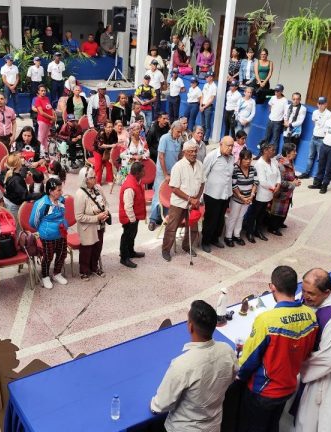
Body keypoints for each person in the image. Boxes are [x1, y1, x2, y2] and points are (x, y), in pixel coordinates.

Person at [237, 265, 318, 432]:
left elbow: (249, 360)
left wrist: (239, 376)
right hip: (288, 386)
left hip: (263, 390)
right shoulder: (311, 315)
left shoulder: (266, 320)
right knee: (273, 425)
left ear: (272, 287)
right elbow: (307, 351)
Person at [150, 299, 236, 431]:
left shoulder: (183, 365)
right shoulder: (227, 350)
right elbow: (232, 376)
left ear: (190, 327)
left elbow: (159, 406)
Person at [294, 268, 331, 432]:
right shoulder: (312, 297)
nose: (305, 296)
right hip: (311, 362)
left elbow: (329, 359)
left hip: (325, 373)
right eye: (303, 290)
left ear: (327, 292)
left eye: (311, 294)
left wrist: (297, 365)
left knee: (315, 418)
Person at [162, 141, 204, 261]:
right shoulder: (178, 166)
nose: (193, 153)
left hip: (194, 202)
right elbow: (174, 188)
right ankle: (165, 250)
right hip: (179, 203)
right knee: (172, 227)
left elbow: (202, 183)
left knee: (193, 227)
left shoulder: (200, 165)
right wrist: (190, 199)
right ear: (184, 152)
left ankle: (187, 246)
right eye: (190, 151)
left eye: (195, 151)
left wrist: (196, 199)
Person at [30, 178, 68, 289]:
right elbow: (33, 221)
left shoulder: (61, 200)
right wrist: (43, 229)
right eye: (58, 190)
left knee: (62, 254)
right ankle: (45, 276)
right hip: (48, 235)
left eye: (61, 190)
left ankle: (57, 273)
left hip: (61, 232)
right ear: (50, 191)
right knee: (48, 256)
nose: (61, 192)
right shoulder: (42, 204)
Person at [74, 168, 110, 280]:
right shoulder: (80, 194)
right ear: (84, 180)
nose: (95, 179)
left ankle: (94, 267)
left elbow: (106, 203)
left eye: (95, 176)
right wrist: (96, 218)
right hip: (87, 227)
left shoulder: (98, 188)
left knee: (97, 248)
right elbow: (79, 217)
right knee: (87, 250)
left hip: (100, 224)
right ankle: (84, 271)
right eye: (92, 178)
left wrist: (106, 211)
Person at [201, 136, 234, 253]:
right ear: (221, 144)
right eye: (228, 145)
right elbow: (203, 174)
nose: (230, 148)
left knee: (220, 219)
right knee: (210, 220)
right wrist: (201, 194)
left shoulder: (231, 158)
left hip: (225, 194)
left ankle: (215, 238)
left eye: (232, 146)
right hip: (212, 194)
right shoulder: (212, 156)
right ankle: (205, 241)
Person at [149, 121, 183, 230]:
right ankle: (153, 220)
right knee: (158, 195)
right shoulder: (164, 138)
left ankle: (165, 217)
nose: (179, 134)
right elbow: (161, 157)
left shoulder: (179, 140)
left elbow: (178, 157)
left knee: (169, 195)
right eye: (178, 132)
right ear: (172, 129)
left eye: (181, 132)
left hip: (173, 173)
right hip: (162, 173)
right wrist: (165, 174)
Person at [244, 141, 280, 243]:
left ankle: (258, 231)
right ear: (265, 151)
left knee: (262, 214)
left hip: (270, 194)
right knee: (254, 214)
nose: (274, 152)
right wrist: (274, 188)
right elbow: (262, 181)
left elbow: (278, 174)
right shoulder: (259, 164)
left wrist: (278, 184)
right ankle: (249, 232)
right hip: (261, 194)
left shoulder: (273, 161)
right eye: (272, 150)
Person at [224, 147, 257, 247]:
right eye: (245, 159)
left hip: (248, 199)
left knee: (241, 217)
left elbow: (255, 182)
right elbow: (234, 185)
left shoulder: (253, 169)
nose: (248, 161)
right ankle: (228, 236)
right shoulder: (235, 169)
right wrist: (241, 197)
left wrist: (251, 195)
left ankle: (237, 235)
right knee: (233, 217)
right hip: (236, 199)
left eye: (249, 159)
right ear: (240, 159)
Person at [118, 161, 147, 268]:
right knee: (126, 236)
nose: (145, 172)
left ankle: (131, 252)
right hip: (129, 217)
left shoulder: (136, 180)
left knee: (132, 235)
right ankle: (124, 257)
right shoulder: (130, 187)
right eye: (143, 171)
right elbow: (128, 206)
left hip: (134, 216)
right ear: (138, 173)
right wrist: (132, 220)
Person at [269, 142, 301, 235]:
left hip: (288, 193)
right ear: (287, 153)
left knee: (284, 209)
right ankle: (273, 228)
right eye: (294, 151)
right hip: (280, 193)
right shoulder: (280, 165)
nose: (296, 153)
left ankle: (280, 223)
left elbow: (290, 174)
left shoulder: (290, 161)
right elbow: (279, 182)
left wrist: (295, 179)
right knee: (277, 211)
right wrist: (293, 183)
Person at [3, 153, 43, 221]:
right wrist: (41, 195)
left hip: (12, 201)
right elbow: (25, 196)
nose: (22, 160)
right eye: (20, 159)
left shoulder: (11, 173)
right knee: (17, 224)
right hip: (14, 205)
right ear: (18, 164)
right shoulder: (16, 180)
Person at [93, 120, 118, 185]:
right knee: (98, 165)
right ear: (104, 127)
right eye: (108, 127)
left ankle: (109, 180)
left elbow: (115, 142)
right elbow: (100, 145)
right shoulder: (101, 133)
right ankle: (97, 181)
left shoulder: (114, 132)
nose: (110, 128)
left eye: (111, 127)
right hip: (98, 150)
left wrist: (114, 146)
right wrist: (111, 145)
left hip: (108, 151)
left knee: (109, 163)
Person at [34, 85, 55, 155]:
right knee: (41, 137)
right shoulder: (37, 100)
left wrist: (53, 117)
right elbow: (41, 113)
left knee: (46, 137)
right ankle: (39, 152)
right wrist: (51, 117)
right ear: (38, 92)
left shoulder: (47, 98)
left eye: (44, 91)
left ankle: (45, 152)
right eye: (42, 91)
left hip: (49, 121)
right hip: (42, 121)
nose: (43, 92)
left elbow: (50, 109)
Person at [199, 74, 217, 141]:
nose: (206, 78)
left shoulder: (214, 86)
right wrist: (200, 105)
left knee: (207, 125)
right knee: (202, 124)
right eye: (206, 77)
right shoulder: (205, 85)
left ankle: (206, 140)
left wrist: (204, 106)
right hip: (202, 105)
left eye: (207, 77)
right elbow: (202, 95)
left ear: (211, 77)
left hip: (208, 107)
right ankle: (201, 137)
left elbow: (212, 99)